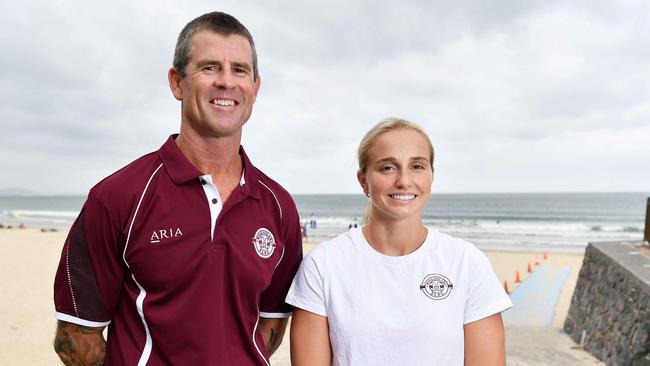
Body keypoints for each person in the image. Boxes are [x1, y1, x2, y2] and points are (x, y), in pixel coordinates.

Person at [52, 12, 302, 365]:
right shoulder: (118, 197)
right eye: (210, 67)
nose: (226, 82)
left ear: (255, 88)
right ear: (177, 83)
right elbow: (77, 334)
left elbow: (269, 327)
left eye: (240, 70)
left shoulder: (279, 207)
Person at [286, 118, 512, 366]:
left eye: (417, 166)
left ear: (431, 176)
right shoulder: (324, 265)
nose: (404, 180)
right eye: (388, 168)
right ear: (363, 181)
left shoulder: (467, 263)